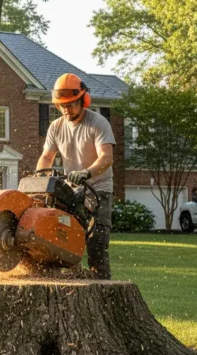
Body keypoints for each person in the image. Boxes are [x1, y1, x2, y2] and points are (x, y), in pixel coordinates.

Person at [36, 73, 116, 279]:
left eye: (71, 105)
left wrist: (86, 172)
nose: (66, 109)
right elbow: (46, 157)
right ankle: (72, 280)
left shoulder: (98, 123)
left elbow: (107, 158)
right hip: (71, 187)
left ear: (83, 100)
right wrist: (39, 179)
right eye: (62, 105)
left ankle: (102, 284)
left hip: (98, 187)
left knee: (96, 240)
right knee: (62, 234)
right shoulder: (56, 126)